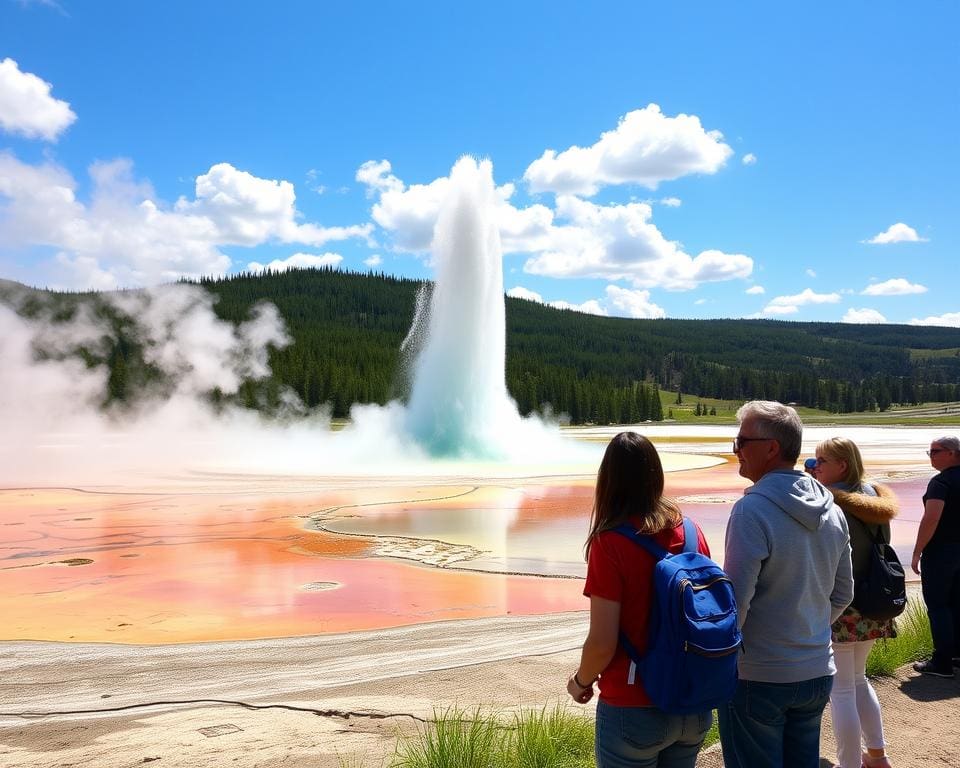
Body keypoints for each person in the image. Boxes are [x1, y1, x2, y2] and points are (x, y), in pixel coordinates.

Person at [719, 401, 853, 768]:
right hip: (815, 670)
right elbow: (844, 593)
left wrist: (723, 658)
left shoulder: (752, 510)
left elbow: (736, 602)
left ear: (771, 448)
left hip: (760, 675)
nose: (736, 451)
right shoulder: (832, 510)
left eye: (741, 441)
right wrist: (806, 630)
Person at [567, 431, 713, 768]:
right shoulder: (691, 532)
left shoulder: (610, 543)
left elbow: (602, 643)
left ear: (608, 480)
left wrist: (580, 683)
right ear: (656, 475)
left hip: (633, 706)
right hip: (692, 701)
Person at [813, 437, 897, 768]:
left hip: (844, 607)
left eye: (821, 461)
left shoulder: (834, 504)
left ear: (842, 465)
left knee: (842, 691)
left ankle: (849, 764)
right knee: (858, 680)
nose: (814, 466)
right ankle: (877, 755)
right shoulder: (875, 495)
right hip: (875, 602)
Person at [911, 435, 960, 678]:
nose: (931, 456)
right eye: (929, 451)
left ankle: (942, 662)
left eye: (935, 451)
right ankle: (956, 655)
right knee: (957, 603)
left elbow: (931, 518)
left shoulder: (940, 482)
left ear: (952, 453)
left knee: (939, 606)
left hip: (941, 552)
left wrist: (918, 550)